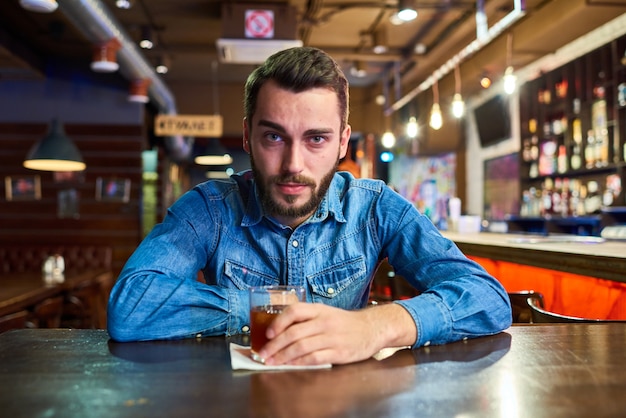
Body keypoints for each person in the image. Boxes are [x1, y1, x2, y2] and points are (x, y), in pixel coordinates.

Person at [107, 46, 511, 366]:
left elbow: (487, 297)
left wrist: (377, 326)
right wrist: (270, 308)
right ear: (248, 136)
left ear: (342, 142)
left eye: (316, 139)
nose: (293, 166)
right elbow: (131, 307)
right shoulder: (208, 209)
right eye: (275, 138)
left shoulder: (375, 208)